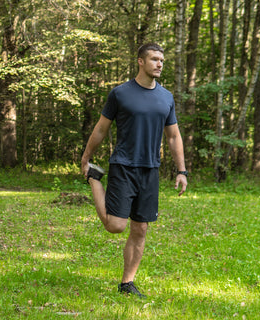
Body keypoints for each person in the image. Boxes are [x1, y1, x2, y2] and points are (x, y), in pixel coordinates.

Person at [81, 42, 188, 298]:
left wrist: (182, 171)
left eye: (161, 60)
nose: (159, 64)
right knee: (116, 226)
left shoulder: (166, 97)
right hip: (123, 166)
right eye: (154, 59)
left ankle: (127, 284)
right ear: (140, 61)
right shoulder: (121, 93)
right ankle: (95, 179)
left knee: (140, 229)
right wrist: (86, 159)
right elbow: (101, 128)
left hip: (150, 170)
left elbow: (173, 136)